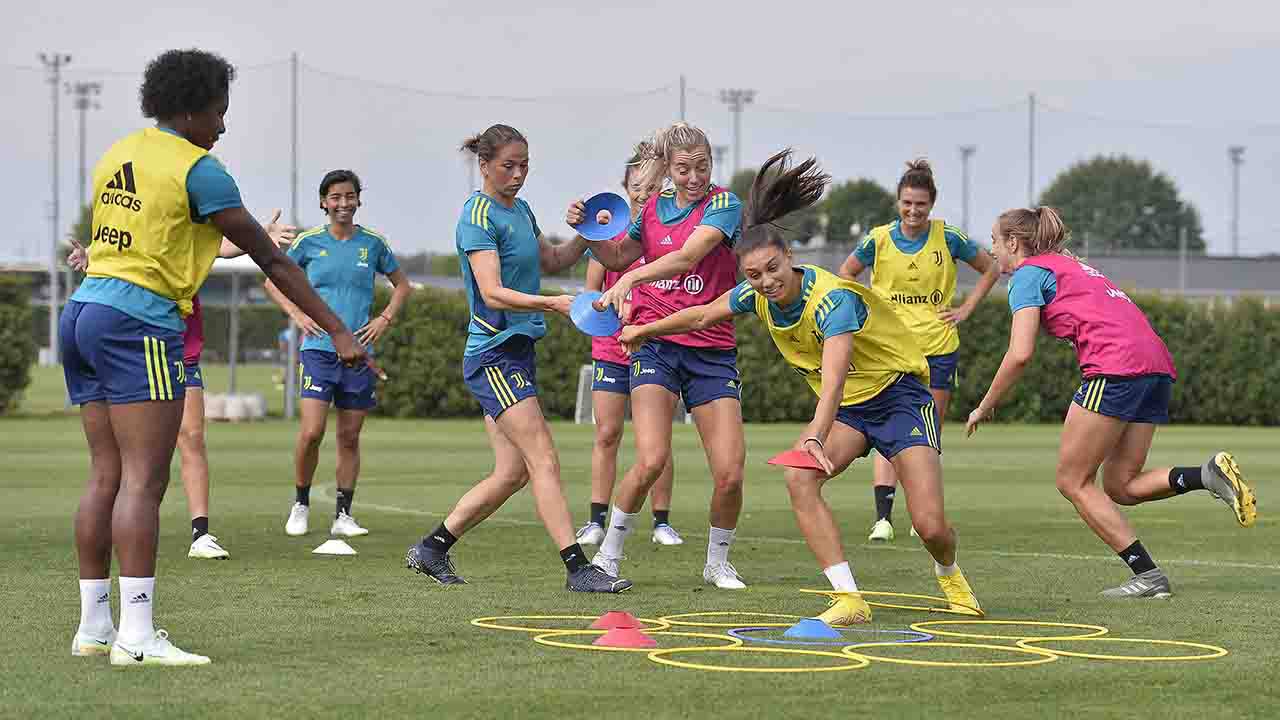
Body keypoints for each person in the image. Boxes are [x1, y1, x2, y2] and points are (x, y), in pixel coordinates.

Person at [64, 49, 362, 667]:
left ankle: (94, 627)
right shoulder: (201, 169)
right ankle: (137, 638)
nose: (222, 127)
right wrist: (336, 329)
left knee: (104, 476)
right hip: (138, 322)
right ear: (190, 108)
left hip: (82, 312)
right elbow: (273, 260)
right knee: (145, 481)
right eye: (218, 113)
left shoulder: (119, 151)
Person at [619, 149, 984, 624]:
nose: (766, 281)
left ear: (789, 257)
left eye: (773, 268)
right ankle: (850, 598)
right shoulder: (754, 293)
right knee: (800, 478)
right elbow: (705, 313)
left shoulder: (833, 300)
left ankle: (950, 573)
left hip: (900, 400)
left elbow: (833, 381)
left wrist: (814, 432)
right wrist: (644, 330)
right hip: (852, 410)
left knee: (930, 525)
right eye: (753, 275)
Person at [966, 207, 1257, 598]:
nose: (993, 250)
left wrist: (985, 404)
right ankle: (1206, 474)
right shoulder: (1072, 266)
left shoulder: (1027, 276)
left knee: (1072, 481)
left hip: (1115, 368)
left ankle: (1149, 578)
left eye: (995, 241)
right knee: (1121, 486)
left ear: (1014, 243)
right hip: (1155, 366)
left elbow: (1020, 354)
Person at [404, 124, 629, 593]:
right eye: (509, 165)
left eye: (525, 165)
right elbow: (492, 293)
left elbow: (552, 260)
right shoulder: (477, 216)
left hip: (517, 353)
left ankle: (432, 548)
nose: (519, 174)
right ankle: (578, 569)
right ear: (483, 166)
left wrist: (587, 231)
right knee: (544, 458)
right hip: (494, 355)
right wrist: (553, 304)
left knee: (513, 472)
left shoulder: (521, 210)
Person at [569, 122, 748, 590]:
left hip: (711, 351)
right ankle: (608, 556)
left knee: (729, 473)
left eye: (702, 167)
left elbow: (689, 256)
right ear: (668, 169)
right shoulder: (649, 209)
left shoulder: (725, 204)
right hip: (656, 347)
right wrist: (587, 231)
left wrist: (633, 278)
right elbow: (614, 256)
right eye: (684, 168)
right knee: (650, 459)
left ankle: (717, 561)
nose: (694, 177)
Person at [68, 213, 299, 561]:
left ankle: (201, 534)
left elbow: (221, 246)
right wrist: (91, 257)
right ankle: (124, 528)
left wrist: (259, 235)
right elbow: (114, 251)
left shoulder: (189, 232)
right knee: (125, 455)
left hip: (180, 349)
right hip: (137, 345)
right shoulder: (138, 221)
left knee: (191, 437)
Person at [838, 159, 1000, 542]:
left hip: (938, 347)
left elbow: (992, 267)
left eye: (921, 205)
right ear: (897, 202)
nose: (913, 211)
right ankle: (883, 518)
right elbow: (845, 274)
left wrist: (966, 308)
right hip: (888, 351)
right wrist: (865, 310)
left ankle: (924, 515)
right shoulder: (877, 239)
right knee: (885, 426)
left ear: (932, 205)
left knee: (927, 433)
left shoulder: (948, 237)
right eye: (906, 203)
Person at [265, 170, 411, 538]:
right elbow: (272, 280)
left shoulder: (373, 244)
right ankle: (300, 503)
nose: (342, 204)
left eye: (349, 196)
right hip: (317, 351)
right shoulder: (309, 242)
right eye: (335, 197)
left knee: (349, 436)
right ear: (323, 202)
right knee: (312, 432)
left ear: (358, 200)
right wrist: (297, 315)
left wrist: (385, 318)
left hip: (359, 355)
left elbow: (402, 285)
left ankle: (343, 515)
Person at [575, 145, 682, 548]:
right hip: (610, 350)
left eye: (653, 185)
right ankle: (596, 520)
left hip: (655, 349)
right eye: (637, 185)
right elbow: (589, 298)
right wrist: (613, 324)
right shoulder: (609, 239)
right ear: (625, 187)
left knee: (656, 440)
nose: (643, 192)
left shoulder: (670, 237)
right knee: (607, 432)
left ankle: (662, 522)